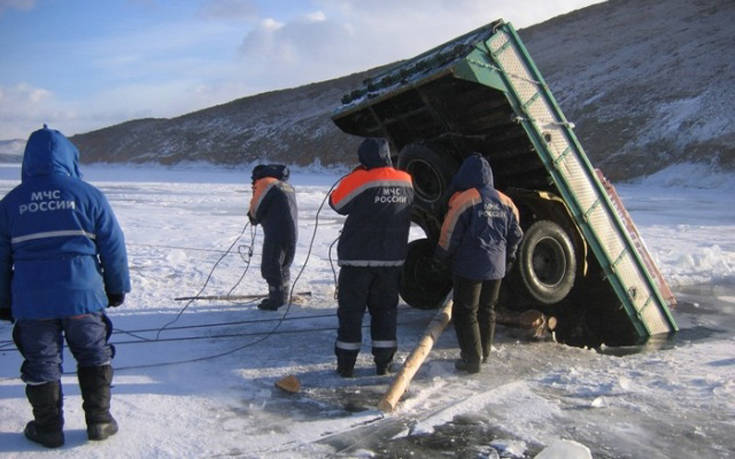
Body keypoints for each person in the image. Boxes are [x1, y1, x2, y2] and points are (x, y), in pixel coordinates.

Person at [0, 125, 131, 448]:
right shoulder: (89, 195)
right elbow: (113, 246)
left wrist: (3, 300)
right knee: (92, 352)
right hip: (82, 296)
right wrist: (116, 288)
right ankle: (99, 421)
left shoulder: (11, 203)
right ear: (70, 158)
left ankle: (48, 428)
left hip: (33, 301)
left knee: (42, 360)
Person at [329, 137, 414, 377]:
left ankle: (346, 365)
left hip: (357, 259)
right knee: (386, 312)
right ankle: (383, 364)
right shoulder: (406, 181)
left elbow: (337, 203)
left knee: (351, 313)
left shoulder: (360, 179)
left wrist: (354, 178)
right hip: (391, 259)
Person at [435, 154, 523, 374]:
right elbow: (516, 235)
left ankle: (471, 359)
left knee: (466, 312)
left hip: (469, 266)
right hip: (496, 267)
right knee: (487, 309)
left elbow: (450, 233)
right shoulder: (506, 201)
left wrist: (441, 257)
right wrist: (509, 257)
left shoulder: (465, 199)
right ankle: (484, 353)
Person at [247, 164, 298, 310]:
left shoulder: (265, 183)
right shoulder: (286, 185)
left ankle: (276, 301)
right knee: (284, 265)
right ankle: (283, 296)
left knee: (271, 265)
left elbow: (255, 212)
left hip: (276, 231)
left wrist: (252, 216)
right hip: (292, 231)